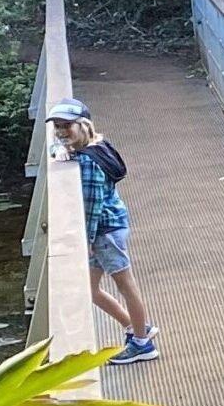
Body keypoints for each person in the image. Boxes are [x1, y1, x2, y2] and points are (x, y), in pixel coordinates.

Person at [48, 100, 158, 363]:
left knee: (126, 285)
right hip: (110, 226)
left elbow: (91, 206)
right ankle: (137, 328)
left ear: (83, 126)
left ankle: (143, 344)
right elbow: (57, 148)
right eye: (58, 127)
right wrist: (58, 149)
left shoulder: (88, 163)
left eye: (67, 126)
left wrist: (84, 241)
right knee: (90, 287)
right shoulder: (97, 146)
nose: (62, 132)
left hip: (104, 232)